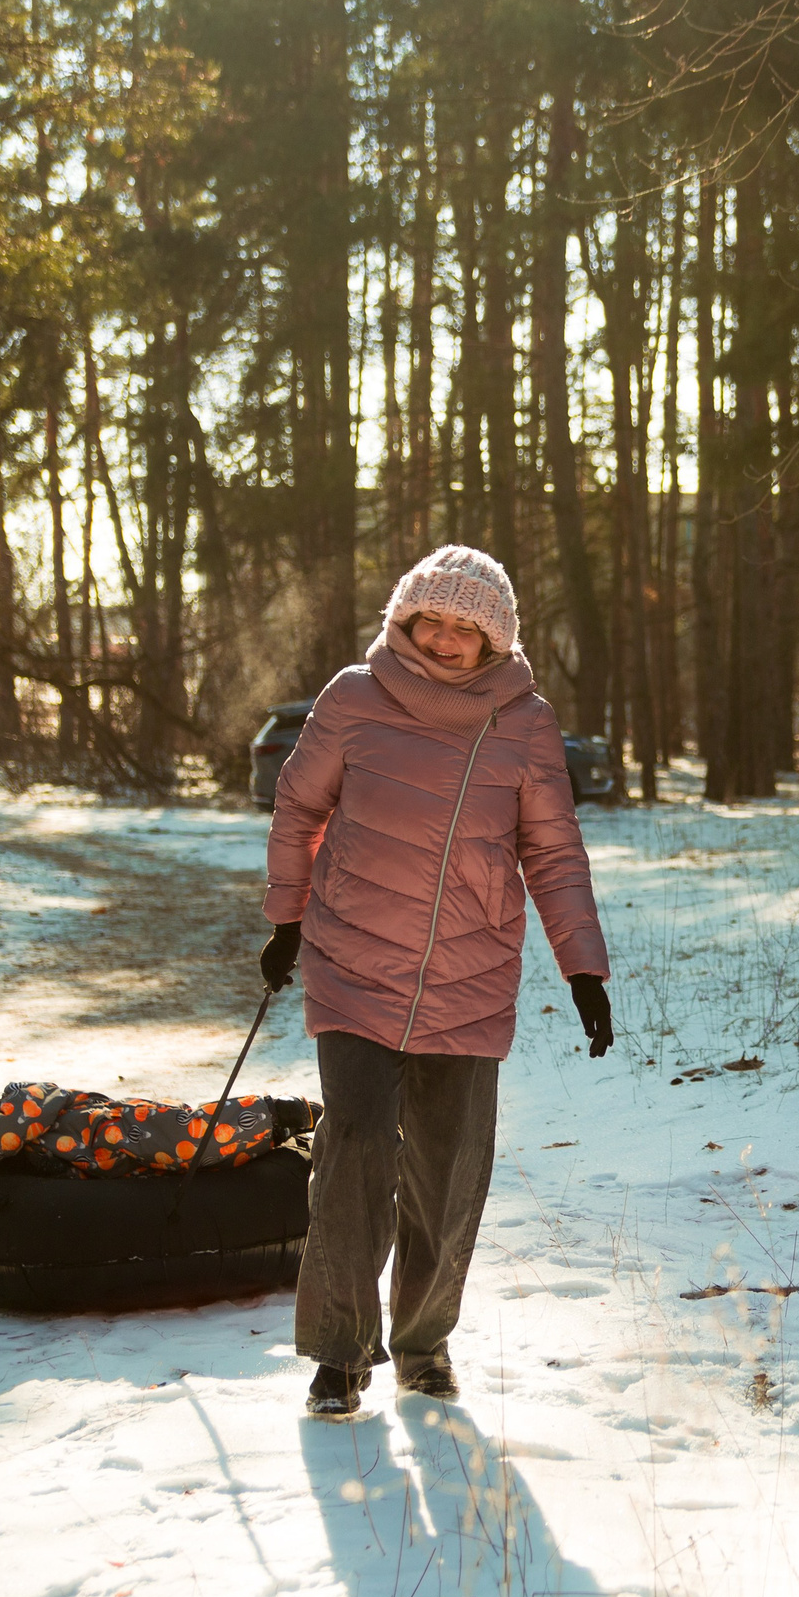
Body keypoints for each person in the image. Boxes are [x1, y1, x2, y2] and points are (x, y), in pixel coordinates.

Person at [259, 545, 615, 1418]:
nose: (448, 641)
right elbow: (300, 807)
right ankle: (340, 1354)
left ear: (495, 640)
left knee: (450, 1172)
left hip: (471, 973)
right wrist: (286, 918)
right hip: (353, 964)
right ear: (404, 621)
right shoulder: (352, 698)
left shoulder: (523, 722)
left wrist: (584, 968)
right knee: (355, 1153)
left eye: (468, 628)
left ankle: (423, 1340)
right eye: (433, 622)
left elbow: (553, 850)